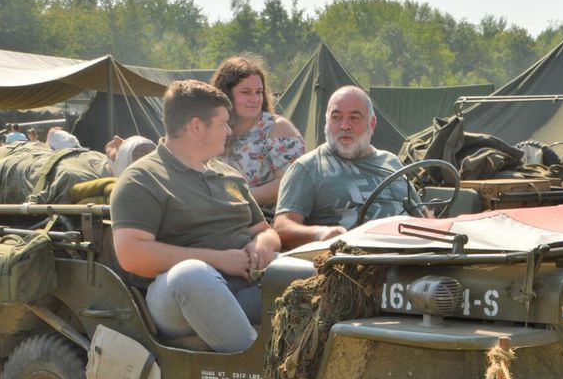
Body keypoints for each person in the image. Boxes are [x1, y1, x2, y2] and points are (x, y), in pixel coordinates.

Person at [110, 80, 281, 352]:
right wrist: (218, 260)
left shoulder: (229, 176)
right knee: (192, 274)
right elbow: (131, 253)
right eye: (224, 123)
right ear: (196, 125)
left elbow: (265, 229)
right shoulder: (143, 178)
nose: (229, 131)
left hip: (246, 281)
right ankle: (264, 374)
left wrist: (261, 245)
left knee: (310, 270)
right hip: (180, 296)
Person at [273, 86, 409, 250]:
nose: (344, 125)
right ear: (327, 122)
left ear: (372, 124)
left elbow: (422, 214)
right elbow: (282, 227)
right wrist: (320, 234)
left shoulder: (391, 162)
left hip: (409, 253)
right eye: (336, 117)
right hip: (352, 261)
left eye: (354, 117)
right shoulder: (308, 168)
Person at [210, 56, 305, 211]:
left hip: (268, 218)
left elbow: (292, 182)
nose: (254, 99)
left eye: (258, 92)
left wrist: (238, 198)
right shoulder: (213, 129)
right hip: (219, 215)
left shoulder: (278, 129)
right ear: (226, 94)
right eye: (246, 92)